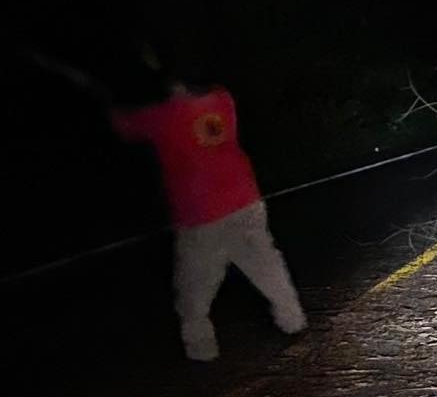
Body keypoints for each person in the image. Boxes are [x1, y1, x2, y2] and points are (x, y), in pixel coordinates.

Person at [110, 73, 307, 362]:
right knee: (267, 266)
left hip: (202, 216)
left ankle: (202, 354)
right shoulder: (221, 99)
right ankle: (294, 322)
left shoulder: (163, 115)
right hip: (244, 200)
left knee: (193, 293)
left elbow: (124, 127)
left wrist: (112, 105)